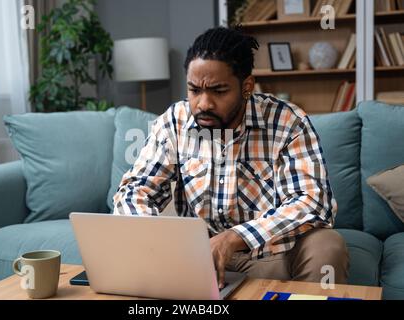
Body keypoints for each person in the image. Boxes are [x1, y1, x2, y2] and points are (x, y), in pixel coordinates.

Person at [113, 26, 349, 289]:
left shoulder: (288, 122)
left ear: (246, 86)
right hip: (199, 258)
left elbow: (312, 202)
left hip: (273, 253)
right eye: (194, 90)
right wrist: (159, 239)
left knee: (327, 245)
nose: (203, 103)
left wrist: (235, 237)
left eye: (218, 91)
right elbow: (134, 191)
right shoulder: (174, 122)